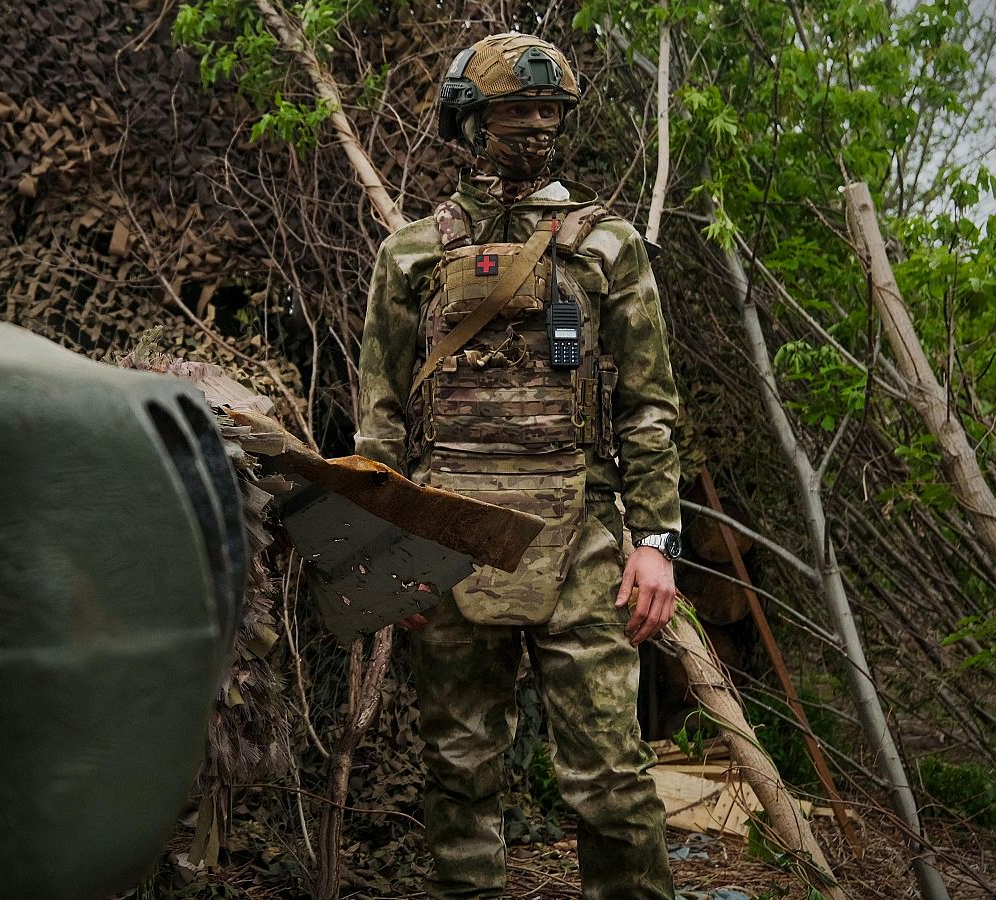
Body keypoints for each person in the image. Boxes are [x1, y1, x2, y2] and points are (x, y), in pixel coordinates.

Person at [354, 32, 683, 899]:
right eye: (513, 111)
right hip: (449, 536)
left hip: (580, 538)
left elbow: (649, 406)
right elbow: (381, 420)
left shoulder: (606, 246)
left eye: (548, 112)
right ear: (467, 122)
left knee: (612, 784)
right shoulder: (412, 256)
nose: (534, 127)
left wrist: (656, 541)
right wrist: (392, 563)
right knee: (459, 778)